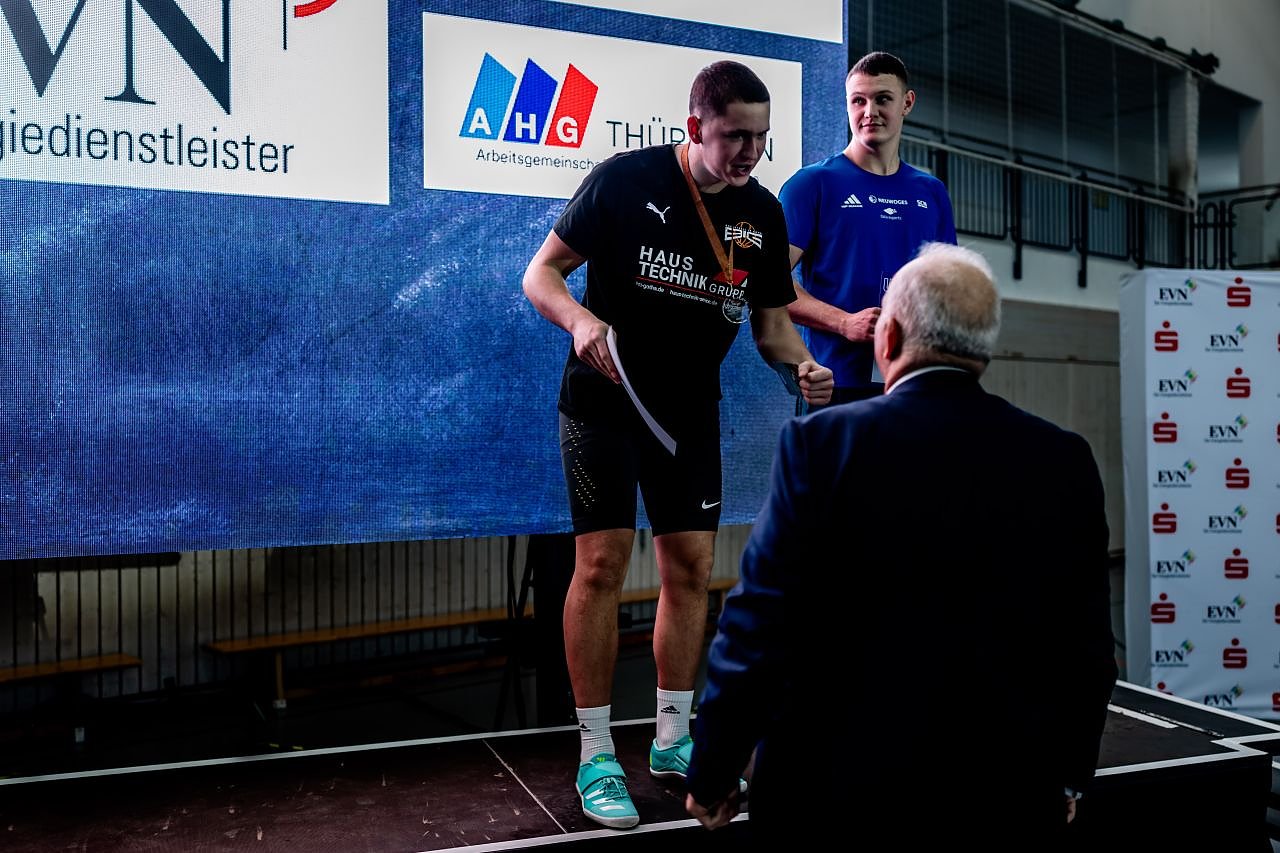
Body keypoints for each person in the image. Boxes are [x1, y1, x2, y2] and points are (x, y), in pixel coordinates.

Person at [684, 242, 1117, 850]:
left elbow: (758, 626)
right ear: (983, 349)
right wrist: (1067, 775)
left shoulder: (823, 445)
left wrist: (714, 771)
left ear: (887, 338)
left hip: (835, 802)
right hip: (1005, 800)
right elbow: (1086, 645)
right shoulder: (1063, 459)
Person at [521, 60, 833, 830]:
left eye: (761, 138)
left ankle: (671, 736)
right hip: (603, 400)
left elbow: (771, 325)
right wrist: (580, 319)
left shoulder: (761, 212)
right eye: (734, 136)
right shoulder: (624, 180)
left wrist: (802, 365)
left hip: (689, 412)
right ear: (695, 126)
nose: (749, 152)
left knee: (690, 570)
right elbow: (542, 274)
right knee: (600, 565)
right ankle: (596, 751)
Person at [780, 51, 956, 406]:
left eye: (883, 99)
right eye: (858, 101)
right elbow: (769, 285)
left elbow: (948, 289)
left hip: (910, 384)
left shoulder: (932, 192)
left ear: (907, 103)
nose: (869, 111)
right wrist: (843, 322)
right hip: (834, 385)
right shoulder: (812, 184)